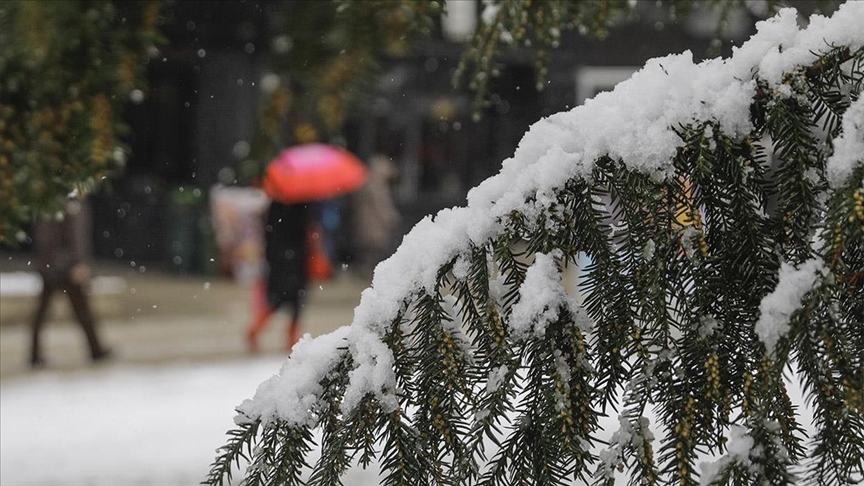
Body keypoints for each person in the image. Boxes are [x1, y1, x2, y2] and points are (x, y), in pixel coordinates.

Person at [29, 198, 112, 368]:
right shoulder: (64, 205)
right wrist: (76, 263)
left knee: (75, 311)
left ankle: (95, 349)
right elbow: (69, 237)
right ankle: (95, 350)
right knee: (78, 311)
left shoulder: (64, 204)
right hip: (62, 267)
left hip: (58, 266)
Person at [245, 201, 309, 352]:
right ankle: (288, 337)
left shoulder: (276, 204)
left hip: (281, 259)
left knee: (283, 300)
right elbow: (299, 232)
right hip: (292, 259)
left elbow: (269, 233)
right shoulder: (298, 205)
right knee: (290, 300)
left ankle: (260, 330)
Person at [353, 154, 400, 278]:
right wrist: (390, 218)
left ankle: (367, 270)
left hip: (368, 222)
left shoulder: (367, 181)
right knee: (376, 249)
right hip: (375, 224)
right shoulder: (377, 185)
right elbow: (382, 205)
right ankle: (372, 271)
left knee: (371, 249)